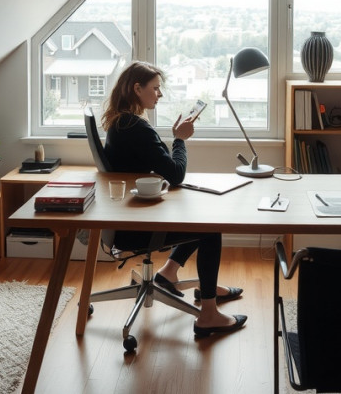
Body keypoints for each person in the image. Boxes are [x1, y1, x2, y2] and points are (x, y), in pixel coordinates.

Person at [102, 61, 247, 337]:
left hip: (129, 218)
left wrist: (174, 140)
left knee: (196, 212)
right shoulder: (136, 127)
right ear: (137, 88)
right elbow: (176, 173)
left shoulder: (122, 122)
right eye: (156, 89)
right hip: (136, 228)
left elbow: (160, 163)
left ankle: (169, 272)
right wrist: (180, 140)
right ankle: (208, 314)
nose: (160, 94)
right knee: (210, 230)